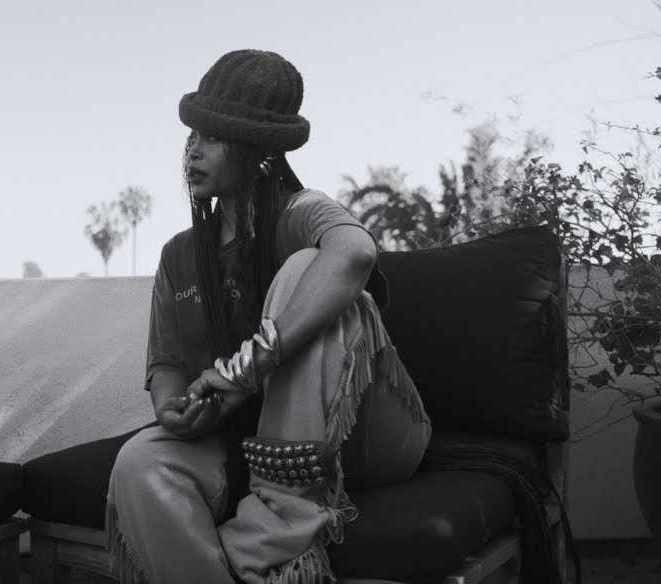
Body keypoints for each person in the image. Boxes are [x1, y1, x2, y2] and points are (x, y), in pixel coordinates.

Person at [107, 50, 433, 584]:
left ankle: (274, 539)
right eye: (192, 135)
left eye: (213, 138)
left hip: (366, 436)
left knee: (308, 269)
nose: (193, 150)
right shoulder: (179, 255)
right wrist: (172, 407)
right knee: (139, 464)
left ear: (258, 151)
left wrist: (248, 367)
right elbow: (166, 362)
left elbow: (354, 253)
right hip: (240, 437)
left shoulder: (301, 212)